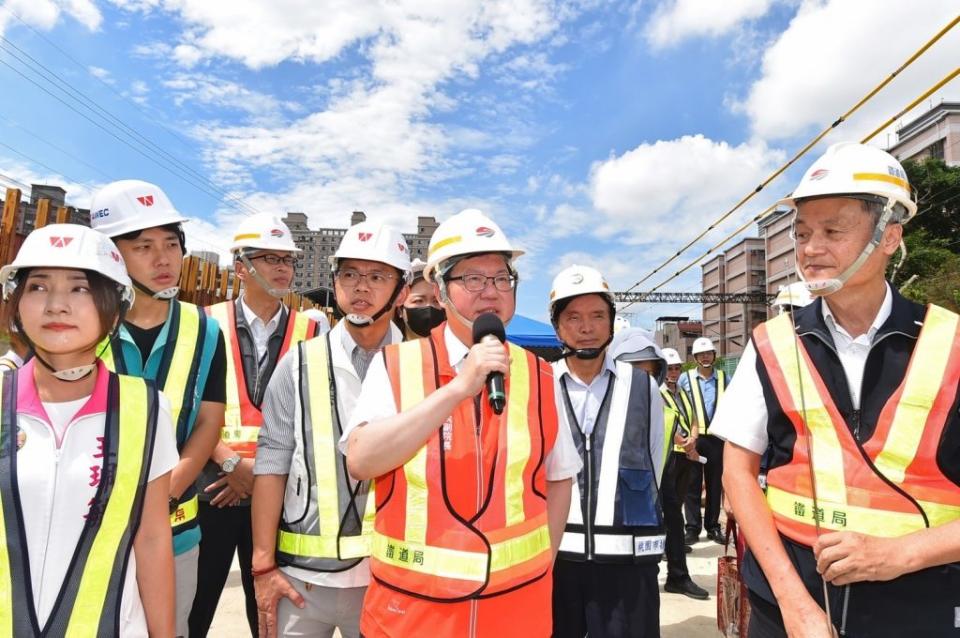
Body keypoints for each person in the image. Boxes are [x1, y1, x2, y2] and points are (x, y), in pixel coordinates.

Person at [713, 142, 960, 637]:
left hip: (919, 606)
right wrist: (793, 603)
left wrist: (902, 553)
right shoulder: (771, 344)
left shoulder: (952, 343)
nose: (809, 249)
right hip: (790, 608)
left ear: (889, 236)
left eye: (832, 232)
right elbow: (737, 475)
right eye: (802, 233)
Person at [342, 208, 580, 637]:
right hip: (412, 617)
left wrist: (546, 557)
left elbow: (560, 478)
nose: (491, 291)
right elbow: (361, 460)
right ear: (439, 290)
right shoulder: (397, 365)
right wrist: (456, 389)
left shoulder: (541, 375)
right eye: (473, 278)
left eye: (501, 278)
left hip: (515, 614)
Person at [0, 223, 178, 635]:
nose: (56, 305)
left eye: (79, 289)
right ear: (17, 301)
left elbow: (151, 539)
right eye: (38, 287)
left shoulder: (146, 408)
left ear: (115, 308)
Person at [251, 221, 411, 638]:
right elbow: (272, 462)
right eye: (350, 274)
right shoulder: (298, 363)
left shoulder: (422, 368)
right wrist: (263, 565)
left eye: (377, 276)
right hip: (303, 583)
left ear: (403, 290)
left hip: (389, 579)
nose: (361, 287)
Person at [90, 179, 227, 637]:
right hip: (88, 533)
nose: (163, 258)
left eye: (172, 244)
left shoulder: (205, 329)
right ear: (110, 254)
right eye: (143, 246)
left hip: (176, 535)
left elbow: (208, 420)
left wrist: (163, 494)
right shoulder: (82, 324)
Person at [190, 213, 322, 637]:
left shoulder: (312, 330)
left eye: (288, 260)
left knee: (269, 615)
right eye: (270, 258)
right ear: (241, 267)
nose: (283, 267)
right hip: (211, 488)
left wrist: (258, 476)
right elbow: (185, 404)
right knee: (193, 609)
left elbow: (314, 413)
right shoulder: (204, 322)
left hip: (278, 496)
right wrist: (233, 466)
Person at [548, 265, 667, 638]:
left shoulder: (642, 387)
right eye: (574, 317)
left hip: (627, 566)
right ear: (557, 327)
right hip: (555, 561)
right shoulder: (538, 383)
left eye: (598, 316)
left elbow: (654, 463)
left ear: (612, 324)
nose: (587, 326)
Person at [657, 346, 709, 600]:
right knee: (664, 515)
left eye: (677, 368)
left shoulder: (684, 393)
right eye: (670, 368)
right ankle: (666, 567)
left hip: (684, 456)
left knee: (674, 513)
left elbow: (693, 418)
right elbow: (664, 422)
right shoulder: (657, 393)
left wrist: (693, 440)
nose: (674, 372)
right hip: (667, 459)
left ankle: (677, 574)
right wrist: (684, 441)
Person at [680, 336, 727, 545]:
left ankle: (713, 526)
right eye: (701, 354)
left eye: (708, 353)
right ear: (696, 357)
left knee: (715, 484)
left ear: (714, 356)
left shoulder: (724, 378)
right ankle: (692, 528)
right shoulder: (685, 378)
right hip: (694, 439)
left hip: (717, 439)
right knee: (692, 484)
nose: (705, 357)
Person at [396, 258, 445, 339]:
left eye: (436, 301)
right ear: (400, 310)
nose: (429, 307)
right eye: (418, 301)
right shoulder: (388, 349)